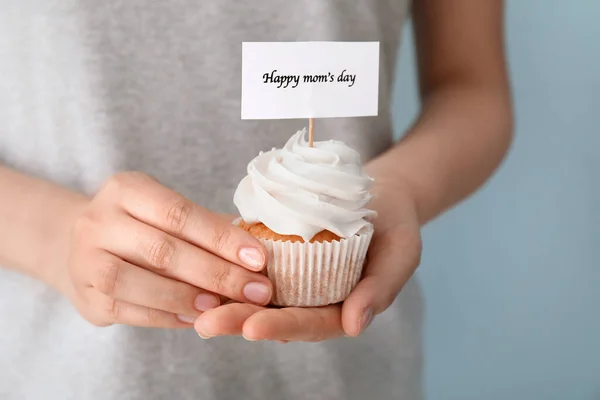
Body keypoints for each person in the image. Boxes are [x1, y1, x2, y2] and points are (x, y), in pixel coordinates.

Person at [0, 1, 512, 399]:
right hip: (64, 369)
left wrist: (400, 188)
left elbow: (471, 87)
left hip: (354, 368)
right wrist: (57, 236)